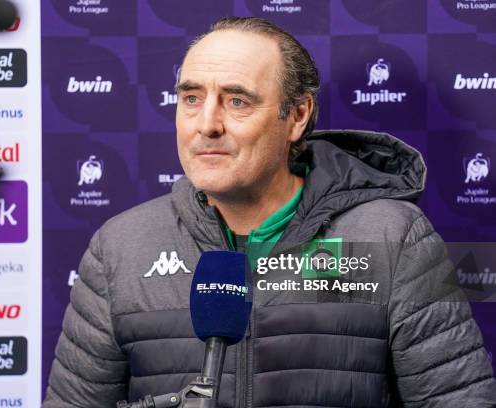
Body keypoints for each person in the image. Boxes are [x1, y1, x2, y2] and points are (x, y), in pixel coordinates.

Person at [43, 17, 496, 407]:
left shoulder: (390, 238)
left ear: (296, 116)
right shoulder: (120, 248)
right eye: (191, 98)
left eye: (237, 101)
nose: (207, 124)